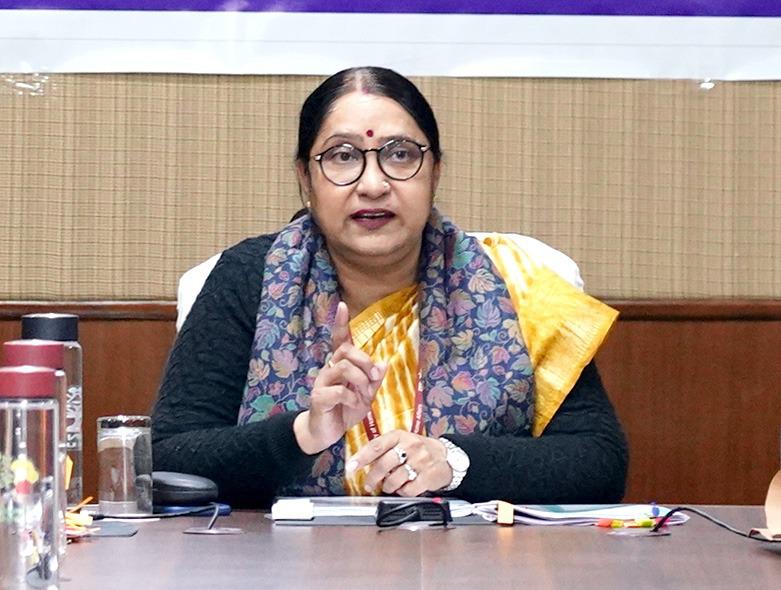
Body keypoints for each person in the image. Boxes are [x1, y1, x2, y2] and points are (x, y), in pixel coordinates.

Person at [152, 66, 628, 509]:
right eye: (342, 157)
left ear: (435, 172)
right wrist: (302, 434)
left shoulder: (512, 281)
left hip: (471, 555)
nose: (374, 184)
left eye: (400, 154)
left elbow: (599, 463)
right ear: (305, 178)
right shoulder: (250, 276)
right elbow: (167, 457)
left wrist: (456, 463)